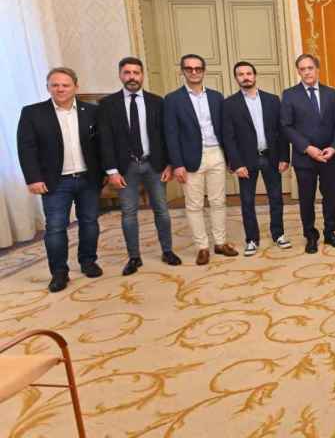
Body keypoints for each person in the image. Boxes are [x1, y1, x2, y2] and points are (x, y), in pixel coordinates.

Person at [17, 67, 104, 292]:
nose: (60, 89)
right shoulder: (32, 113)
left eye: (65, 85)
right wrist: (33, 178)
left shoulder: (92, 111)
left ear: (76, 86)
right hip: (55, 182)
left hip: (88, 179)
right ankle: (59, 272)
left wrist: (104, 174)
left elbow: (102, 145)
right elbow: (26, 149)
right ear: (48, 87)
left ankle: (88, 261)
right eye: (55, 84)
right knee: (55, 228)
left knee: (90, 222)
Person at [98, 57, 179, 276]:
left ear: (142, 75)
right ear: (120, 75)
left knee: (162, 211)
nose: (132, 77)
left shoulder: (157, 102)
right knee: (128, 213)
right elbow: (104, 140)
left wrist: (170, 164)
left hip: (154, 165)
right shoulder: (107, 105)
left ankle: (167, 250)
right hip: (125, 169)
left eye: (136, 72)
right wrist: (111, 171)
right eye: (127, 72)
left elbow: (166, 135)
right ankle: (134, 257)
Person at [164, 54, 236, 265]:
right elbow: (171, 133)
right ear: (183, 71)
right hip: (189, 159)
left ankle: (220, 243)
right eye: (189, 69)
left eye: (198, 68)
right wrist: (177, 164)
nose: (194, 72)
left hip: (216, 154)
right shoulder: (173, 99)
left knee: (218, 201)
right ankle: (202, 247)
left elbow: (225, 129)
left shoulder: (216, 97)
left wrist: (230, 157)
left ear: (204, 71)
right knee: (194, 205)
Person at [222, 61, 291, 256]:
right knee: (247, 201)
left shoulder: (272, 100)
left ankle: (278, 234)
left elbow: (281, 131)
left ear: (255, 75)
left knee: (276, 198)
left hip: (271, 157)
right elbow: (229, 137)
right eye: (241, 74)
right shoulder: (229, 104)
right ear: (236, 78)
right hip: (245, 162)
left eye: (248, 73)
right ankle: (251, 239)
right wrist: (236, 164)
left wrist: (285, 156)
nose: (245, 77)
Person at [281, 54, 335, 254]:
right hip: (304, 157)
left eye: (310, 68)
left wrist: (334, 147)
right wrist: (307, 148)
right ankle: (310, 235)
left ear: (317, 69)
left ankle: (330, 232)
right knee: (306, 199)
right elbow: (286, 126)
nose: (307, 72)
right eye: (303, 69)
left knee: (330, 196)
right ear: (298, 72)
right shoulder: (290, 94)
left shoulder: (331, 93)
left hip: (328, 156)